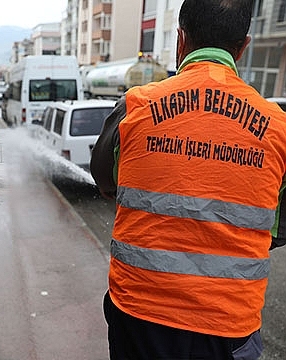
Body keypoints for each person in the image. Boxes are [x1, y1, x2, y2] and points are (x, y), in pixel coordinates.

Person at [90, 1, 286, 359]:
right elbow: (279, 224)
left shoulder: (136, 108)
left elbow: (104, 180)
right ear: (243, 46)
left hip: (139, 315)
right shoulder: (278, 128)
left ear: (180, 40)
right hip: (229, 327)